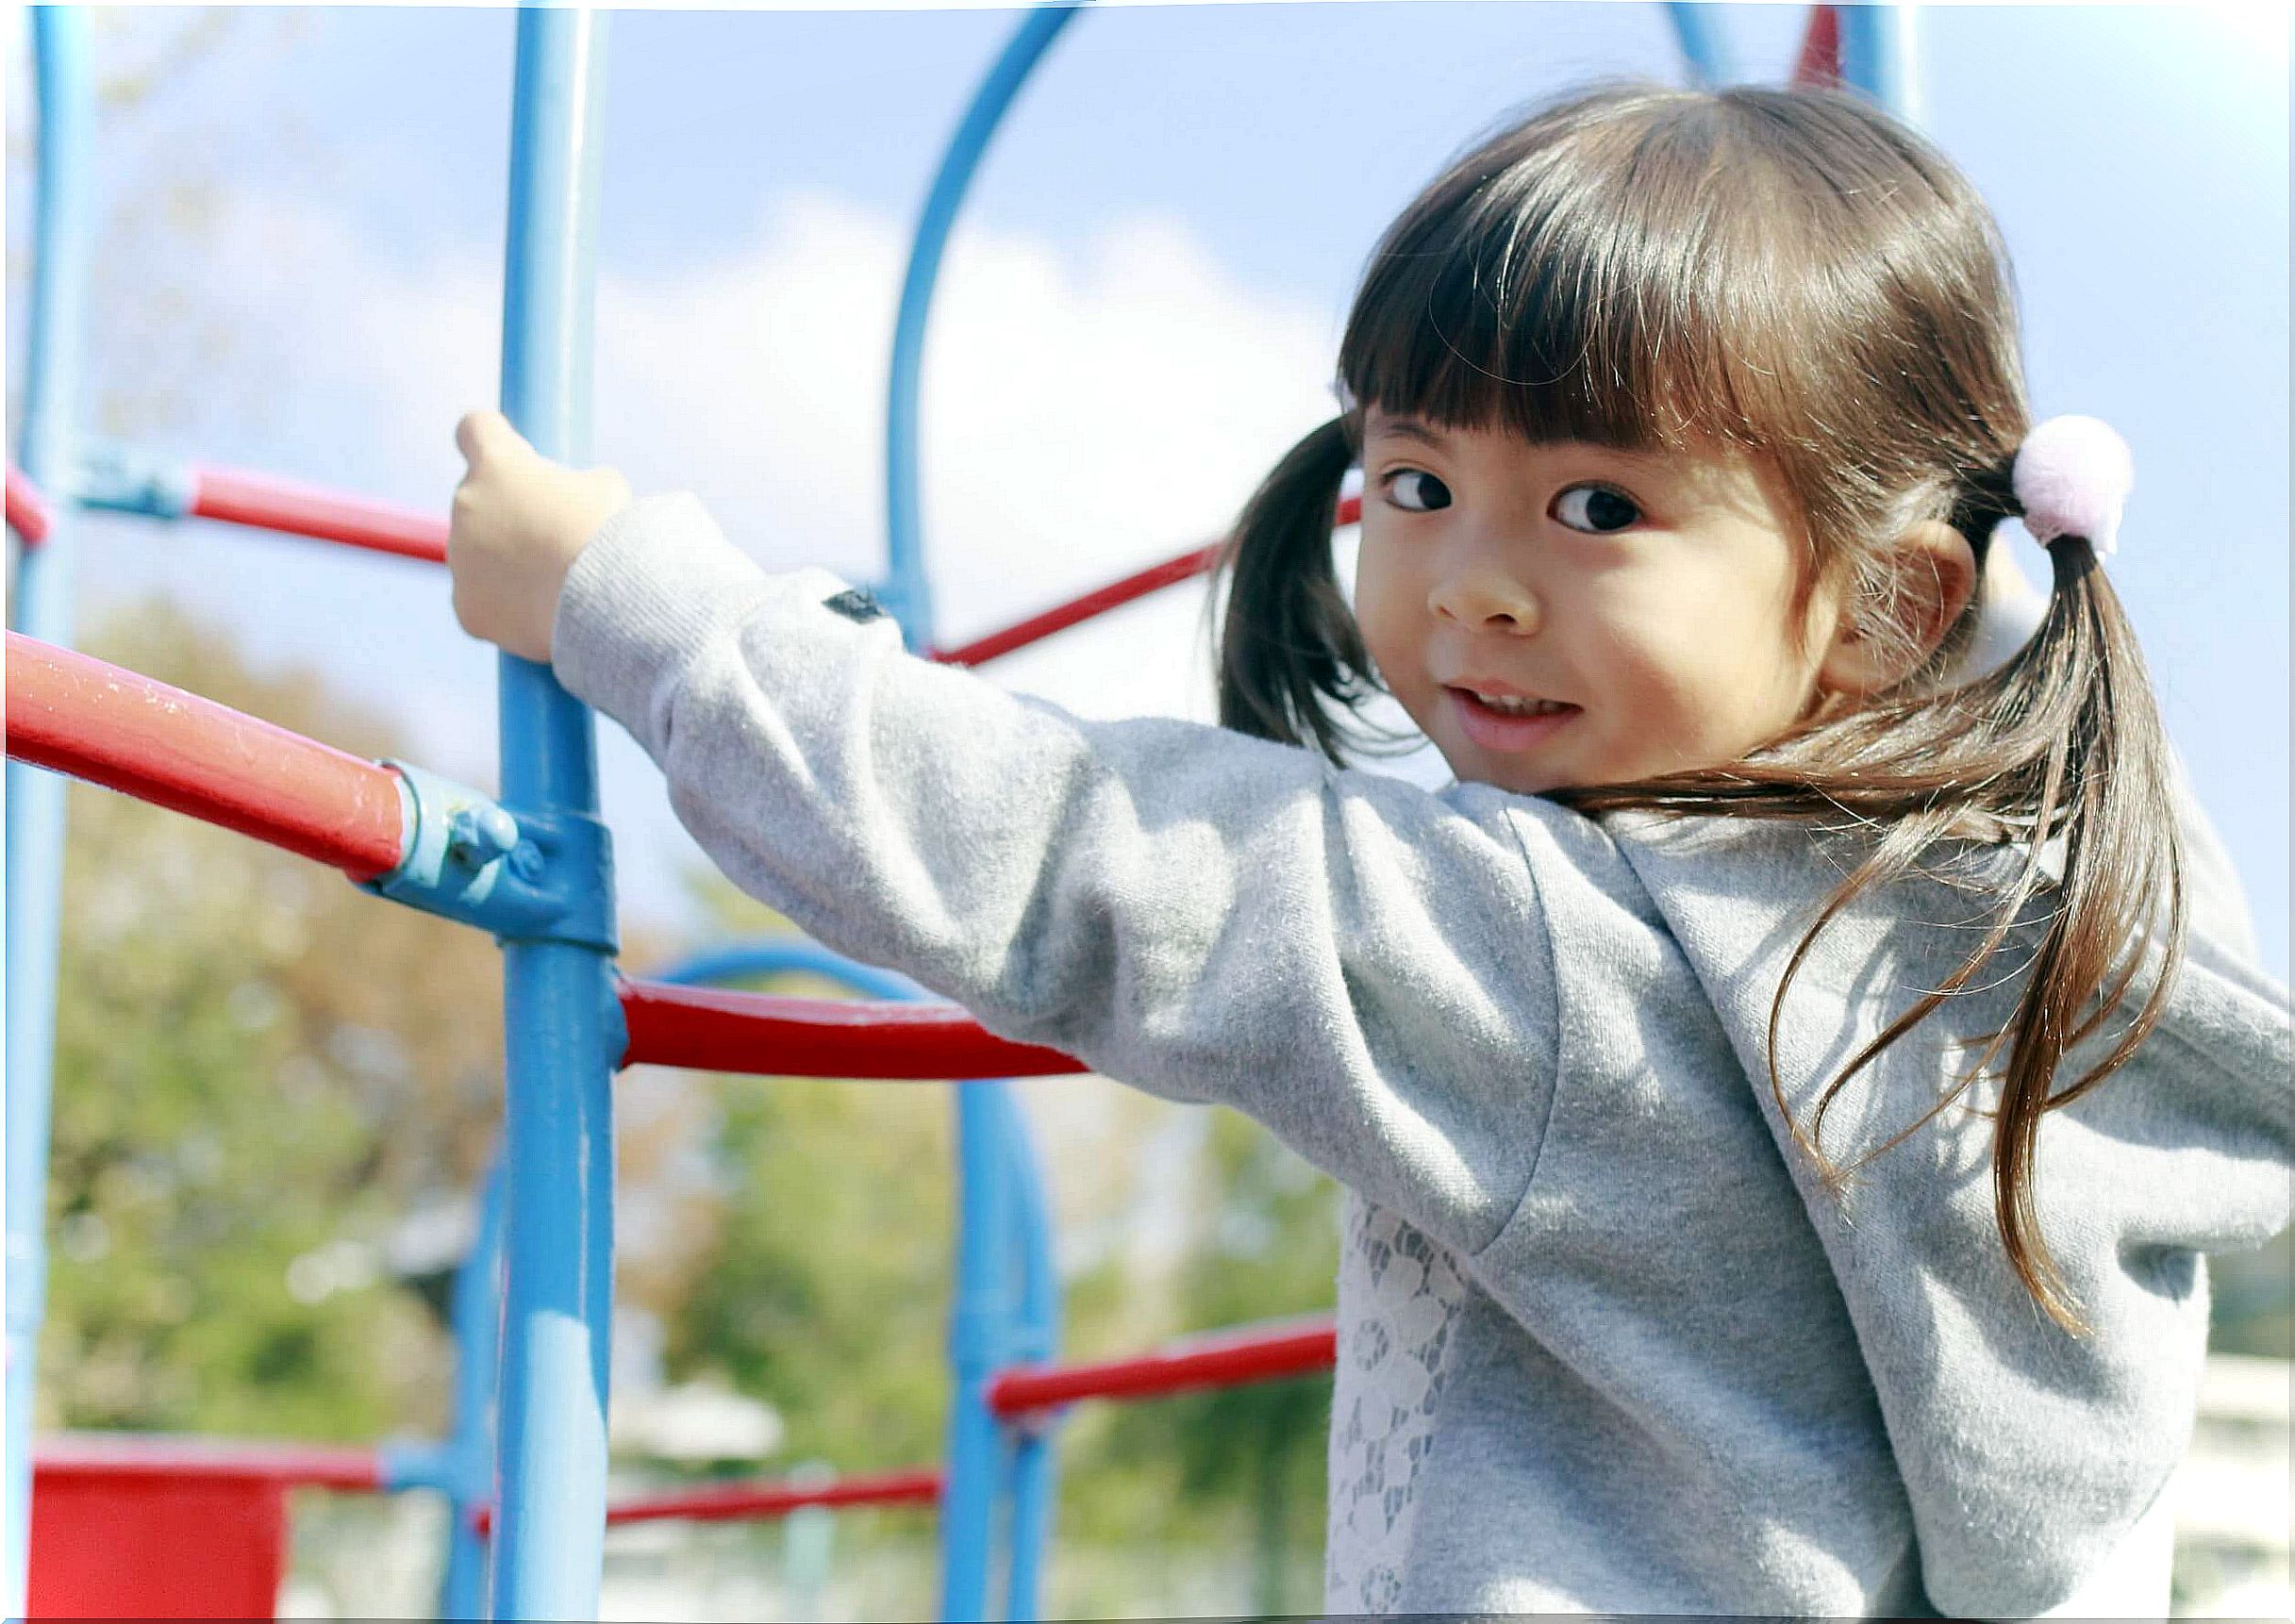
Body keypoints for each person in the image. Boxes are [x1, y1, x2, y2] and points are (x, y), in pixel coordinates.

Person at [444, 83, 2289, 1617]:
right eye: (1412, 484)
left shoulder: (1579, 967)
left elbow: (1087, 855)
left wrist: (628, 604)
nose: (1467, 584)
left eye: (1593, 506)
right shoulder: (1968, 980)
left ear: (1890, 607)